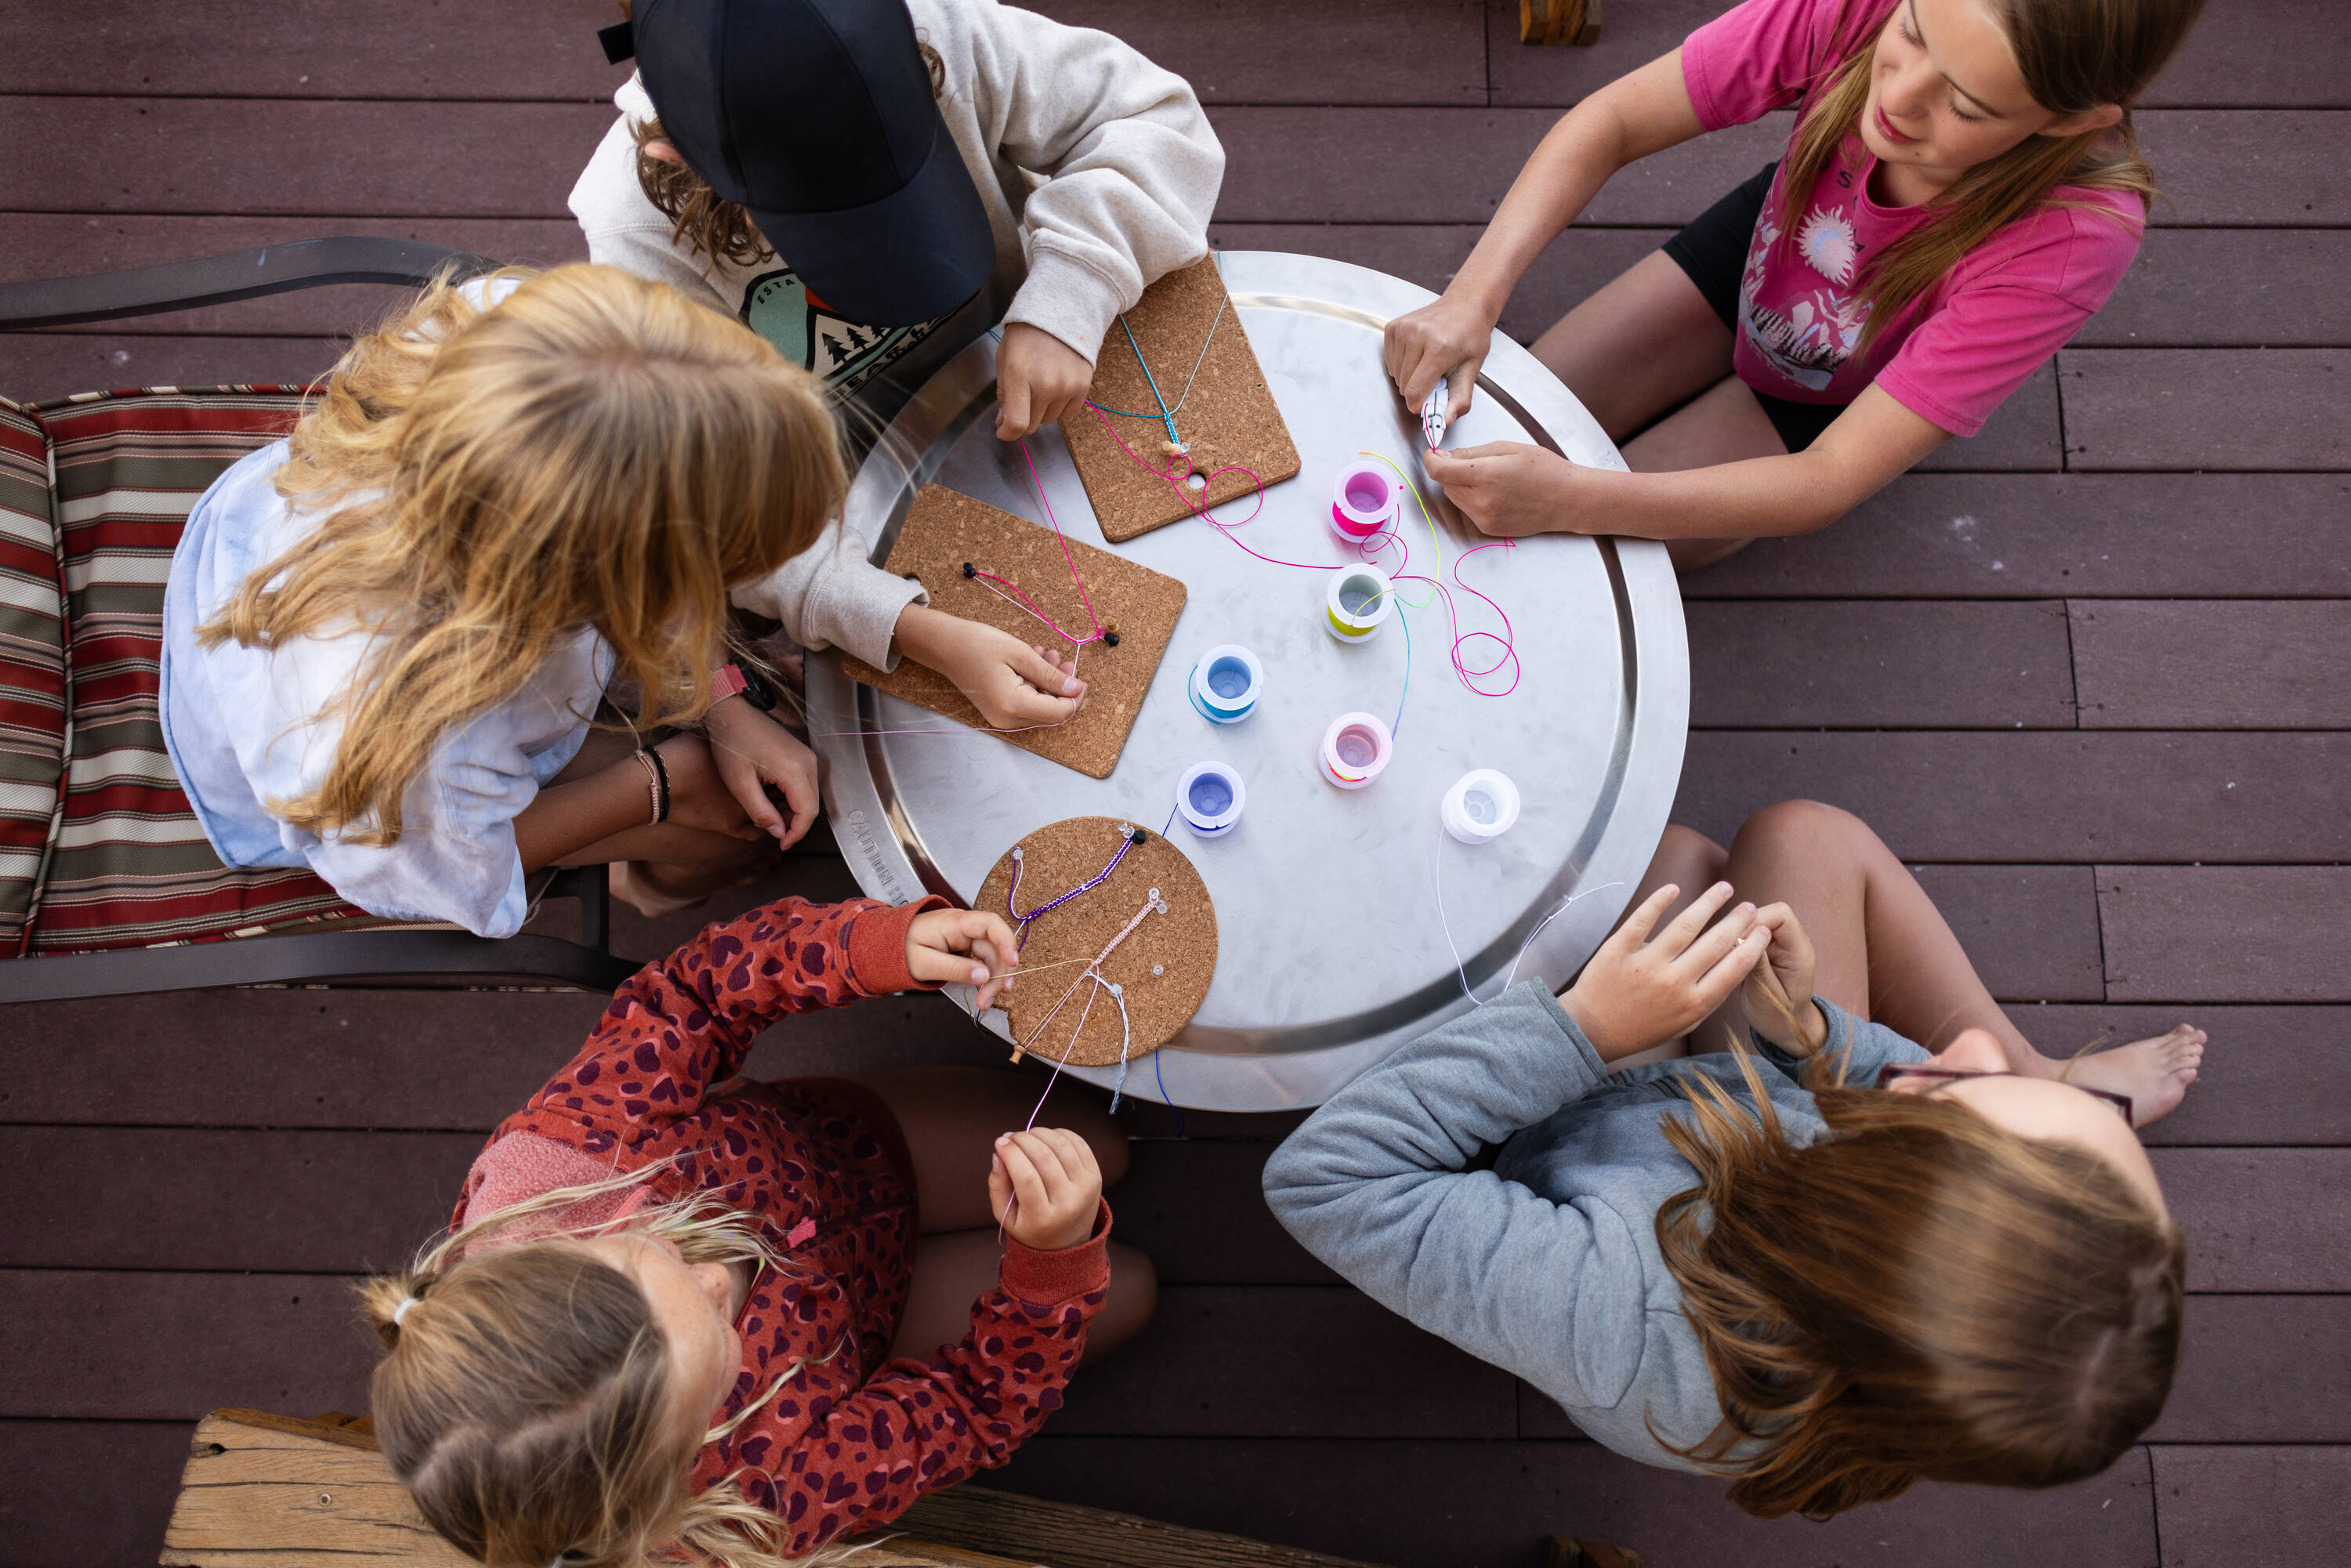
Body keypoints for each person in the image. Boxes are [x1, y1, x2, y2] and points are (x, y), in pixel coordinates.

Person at [1262, 799, 2206, 1517]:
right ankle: (2061, 1077)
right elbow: (1879, 1092)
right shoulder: (1904, 1305)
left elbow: (1328, 1180)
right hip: (1700, 1122)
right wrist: (1803, 1031)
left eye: (1968, 1087)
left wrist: (1583, 1030)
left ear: (1860, 1195)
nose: (1962, 1047)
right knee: (1774, 844)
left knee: (1658, 862)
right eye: (2012, 1078)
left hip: (1567, 1145)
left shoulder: (1617, 1318)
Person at [358, 890, 1154, 1566]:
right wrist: (1048, 1268)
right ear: (670, 1480)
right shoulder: (752, 1496)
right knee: (1131, 1289)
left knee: (1105, 1145)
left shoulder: (576, 1147)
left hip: (847, 1144)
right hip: (877, 1316)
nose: (717, 1281)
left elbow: (695, 995)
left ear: (560, 1253)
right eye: (718, 1339)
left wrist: (877, 944)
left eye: (650, 1263)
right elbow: (975, 1409)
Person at [161, 263, 904, 932]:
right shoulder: (416, 755)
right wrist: (660, 783)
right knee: (726, 832)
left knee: (748, 735)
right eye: (714, 568)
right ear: (615, 586)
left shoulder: (522, 334)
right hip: (393, 810)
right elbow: (439, 863)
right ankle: (645, 887)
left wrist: (721, 695)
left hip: (280, 547)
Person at [571, 0, 1225, 722]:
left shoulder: (943, 28)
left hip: (1066, 386)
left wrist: (1069, 292)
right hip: (856, 505)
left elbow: (1160, 121)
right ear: (681, 163)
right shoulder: (637, 243)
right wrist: (911, 630)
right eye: (828, 224)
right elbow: (712, 515)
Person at [1382, 0, 2206, 569]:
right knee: (1511, 415)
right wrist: (1473, 296)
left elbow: (1830, 480)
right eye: (1912, 32)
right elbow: (1616, 120)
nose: (1898, 100)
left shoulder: (2076, 236)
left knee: (1596, 541)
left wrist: (1573, 502)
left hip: (1839, 381)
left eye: (1965, 103)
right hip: (1768, 244)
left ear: (2069, 122)